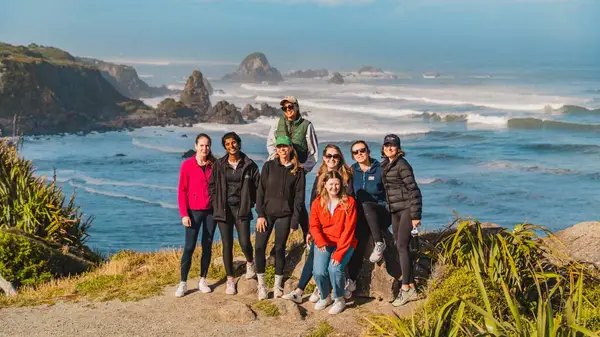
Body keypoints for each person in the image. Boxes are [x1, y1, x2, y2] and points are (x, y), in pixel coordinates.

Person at [282, 144, 353, 304]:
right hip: (323, 226)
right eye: (328, 156)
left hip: (340, 226)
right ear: (324, 158)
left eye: (335, 156)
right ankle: (303, 290)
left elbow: (348, 201)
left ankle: (312, 290)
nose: (332, 159)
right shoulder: (320, 175)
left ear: (340, 158)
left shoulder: (346, 175)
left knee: (324, 256)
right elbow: (314, 203)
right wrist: (310, 230)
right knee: (316, 252)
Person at [254, 135, 306, 300]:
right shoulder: (269, 166)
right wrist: (260, 214)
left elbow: (299, 198)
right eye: (279, 147)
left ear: (290, 148)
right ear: (276, 149)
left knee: (279, 249)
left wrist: (295, 221)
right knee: (259, 247)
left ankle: (277, 286)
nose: (282, 149)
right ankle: (261, 286)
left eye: (285, 146)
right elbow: (260, 191)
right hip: (267, 215)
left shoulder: (298, 170)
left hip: (285, 215)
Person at [209, 132, 260, 295]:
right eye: (227, 144)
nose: (231, 146)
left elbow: (258, 188)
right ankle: (230, 279)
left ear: (239, 143)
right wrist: (215, 202)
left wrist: (252, 203)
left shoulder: (249, 164)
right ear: (225, 147)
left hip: (241, 209)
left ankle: (250, 263)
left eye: (234, 143)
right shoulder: (219, 164)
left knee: (245, 242)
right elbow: (212, 185)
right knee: (227, 244)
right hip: (223, 210)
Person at [266, 96, 319, 239]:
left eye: (290, 107)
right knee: (282, 200)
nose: (287, 110)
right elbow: (271, 143)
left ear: (296, 107)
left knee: (298, 201)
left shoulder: (307, 125)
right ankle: (279, 239)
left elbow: (313, 152)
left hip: (297, 169)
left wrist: (303, 169)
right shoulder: (277, 123)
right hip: (279, 168)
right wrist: (275, 161)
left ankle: (307, 233)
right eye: (284, 108)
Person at [380, 134, 423, 307]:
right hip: (395, 210)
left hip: (406, 209)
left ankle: (405, 289)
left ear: (398, 148)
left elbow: (414, 190)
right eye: (387, 145)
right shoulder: (385, 165)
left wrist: (416, 215)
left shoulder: (402, 165)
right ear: (383, 148)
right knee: (400, 246)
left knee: (402, 247)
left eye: (393, 145)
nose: (389, 148)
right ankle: (411, 285)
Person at [345, 140, 390, 296]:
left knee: (365, 203)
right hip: (361, 216)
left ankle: (379, 242)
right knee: (358, 241)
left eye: (362, 150)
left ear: (368, 151)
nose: (359, 154)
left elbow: (389, 193)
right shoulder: (352, 170)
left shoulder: (380, 169)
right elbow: (349, 193)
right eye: (355, 152)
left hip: (380, 212)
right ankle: (351, 280)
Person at [175, 133, 217, 297]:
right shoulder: (187, 165)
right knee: (189, 247)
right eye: (201, 145)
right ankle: (183, 283)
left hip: (210, 212)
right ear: (196, 146)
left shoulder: (214, 164)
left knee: (207, 245)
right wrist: (184, 214)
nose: (204, 148)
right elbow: (182, 191)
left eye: (207, 145)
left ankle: (202, 280)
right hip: (193, 212)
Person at [309, 171, 357, 315]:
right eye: (331, 184)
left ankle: (339, 299)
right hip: (324, 242)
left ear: (341, 184)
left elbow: (349, 229)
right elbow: (314, 226)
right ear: (325, 184)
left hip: (345, 243)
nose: (334, 187)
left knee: (334, 269)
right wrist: (320, 241)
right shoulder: (317, 202)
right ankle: (325, 297)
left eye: (337, 184)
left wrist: (340, 253)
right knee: (318, 271)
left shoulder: (349, 202)